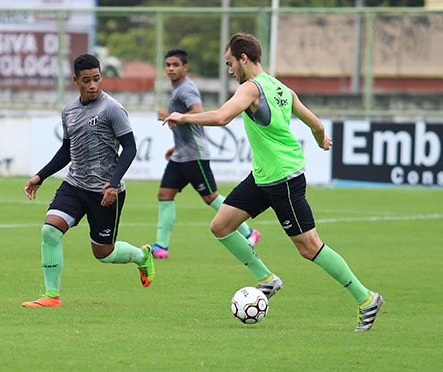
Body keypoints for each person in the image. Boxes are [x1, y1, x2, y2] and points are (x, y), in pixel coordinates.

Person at [163, 33, 384, 331]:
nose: (229, 71)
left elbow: (221, 118)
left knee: (309, 247)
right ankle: (267, 279)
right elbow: (317, 125)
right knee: (221, 226)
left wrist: (182, 117)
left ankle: (366, 298)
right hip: (262, 177)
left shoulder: (251, 88)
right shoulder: (282, 89)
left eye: (230, 64)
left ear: (243, 58)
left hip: (283, 179)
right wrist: (322, 141)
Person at [22, 53, 155, 308]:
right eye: (86, 80)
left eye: (96, 79)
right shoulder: (69, 111)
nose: (93, 85)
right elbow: (66, 151)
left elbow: (129, 148)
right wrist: (41, 176)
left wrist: (113, 183)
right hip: (74, 185)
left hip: (105, 191)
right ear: (75, 80)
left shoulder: (112, 108)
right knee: (50, 230)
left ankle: (141, 255)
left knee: (103, 253)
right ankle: (52, 296)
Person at [152, 48, 260, 260]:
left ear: (185, 67)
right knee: (165, 194)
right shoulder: (177, 89)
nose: (171, 69)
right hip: (181, 154)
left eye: (175, 65)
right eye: (168, 65)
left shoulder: (186, 89)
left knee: (210, 197)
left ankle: (249, 232)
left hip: (195, 155)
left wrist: (175, 116)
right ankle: (161, 246)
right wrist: (177, 145)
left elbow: (198, 112)